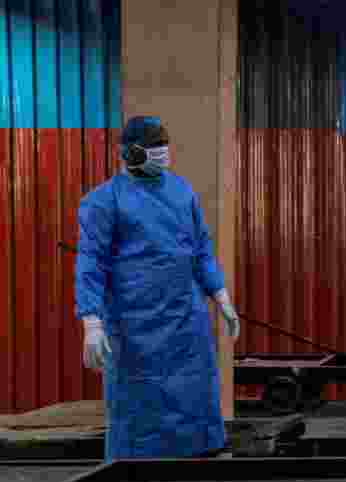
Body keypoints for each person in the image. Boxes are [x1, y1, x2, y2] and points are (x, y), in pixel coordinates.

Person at [74, 115, 241, 461]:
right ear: (130, 154)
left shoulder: (181, 191)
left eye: (164, 147)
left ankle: (197, 477)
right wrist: (91, 321)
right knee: (140, 405)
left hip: (185, 318)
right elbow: (91, 264)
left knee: (194, 397)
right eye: (153, 148)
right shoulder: (103, 202)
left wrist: (220, 295)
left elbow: (201, 250)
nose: (162, 154)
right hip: (136, 325)